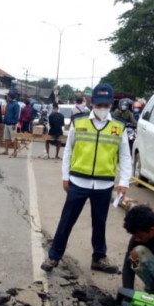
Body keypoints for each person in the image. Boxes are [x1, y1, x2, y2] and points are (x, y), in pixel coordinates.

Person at [41, 83, 132, 274]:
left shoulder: (119, 127)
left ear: (111, 104)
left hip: (104, 184)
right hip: (78, 182)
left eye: (106, 105)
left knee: (100, 222)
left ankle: (99, 257)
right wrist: (65, 177)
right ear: (92, 103)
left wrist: (124, 182)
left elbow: (125, 156)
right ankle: (53, 257)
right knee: (67, 220)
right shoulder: (78, 122)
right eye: (99, 104)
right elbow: (68, 151)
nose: (102, 109)